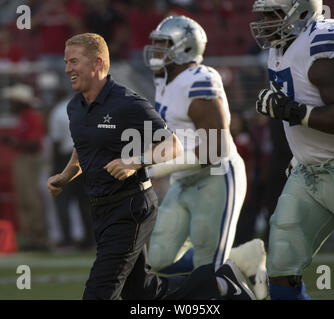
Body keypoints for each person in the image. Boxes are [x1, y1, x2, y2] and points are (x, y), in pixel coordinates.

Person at [47, 32, 255, 300]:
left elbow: (173, 145)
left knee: (99, 293)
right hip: (100, 210)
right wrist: (65, 176)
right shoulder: (74, 106)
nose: (67, 69)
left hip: (130, 208)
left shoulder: (127, 103)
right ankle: (217, 284)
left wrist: (134, 161)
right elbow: (84, 146)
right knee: (143, 293)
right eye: (66, 62)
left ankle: (218, 282)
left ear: (97, 63)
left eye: (73, 62)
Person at [143, 15, 267, 299]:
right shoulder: (164, 78)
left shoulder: (201, 79)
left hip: (216, 177)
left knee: (206, 269)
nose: (156, 50)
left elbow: (213, 150)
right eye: (157, 44)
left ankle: (232, 286)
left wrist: (150, 170)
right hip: (184, 179)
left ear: (185, 48)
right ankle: (243, 257)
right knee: (159, 259)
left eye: (163, 45)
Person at [250, 0, 334, 300]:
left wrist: (294, 112)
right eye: (263, 13)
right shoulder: (279, 46)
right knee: (280, 263)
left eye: (274, 13)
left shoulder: (320, 42)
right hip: (308, 172)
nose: (265, 20)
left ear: (303, 11)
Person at [0, 84, 48, 251]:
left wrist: (14, 142)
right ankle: (30, 238)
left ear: (20, 102)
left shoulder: (32, 117)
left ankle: (38, 238)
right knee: (23, 200)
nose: (11, 104)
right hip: (21, 158)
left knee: (30, 199)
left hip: (28, 159)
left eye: (13, 101)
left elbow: (34, 144)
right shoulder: (24, 118)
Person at [48, 95, 94, 249]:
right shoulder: (88, 108)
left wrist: (55, 169)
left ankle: (67, 240)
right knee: (86, 202)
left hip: (66, 158)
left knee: (63, 202)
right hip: (87, 157)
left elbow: (56, 141)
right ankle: (90, 240)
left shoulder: (58, 111)